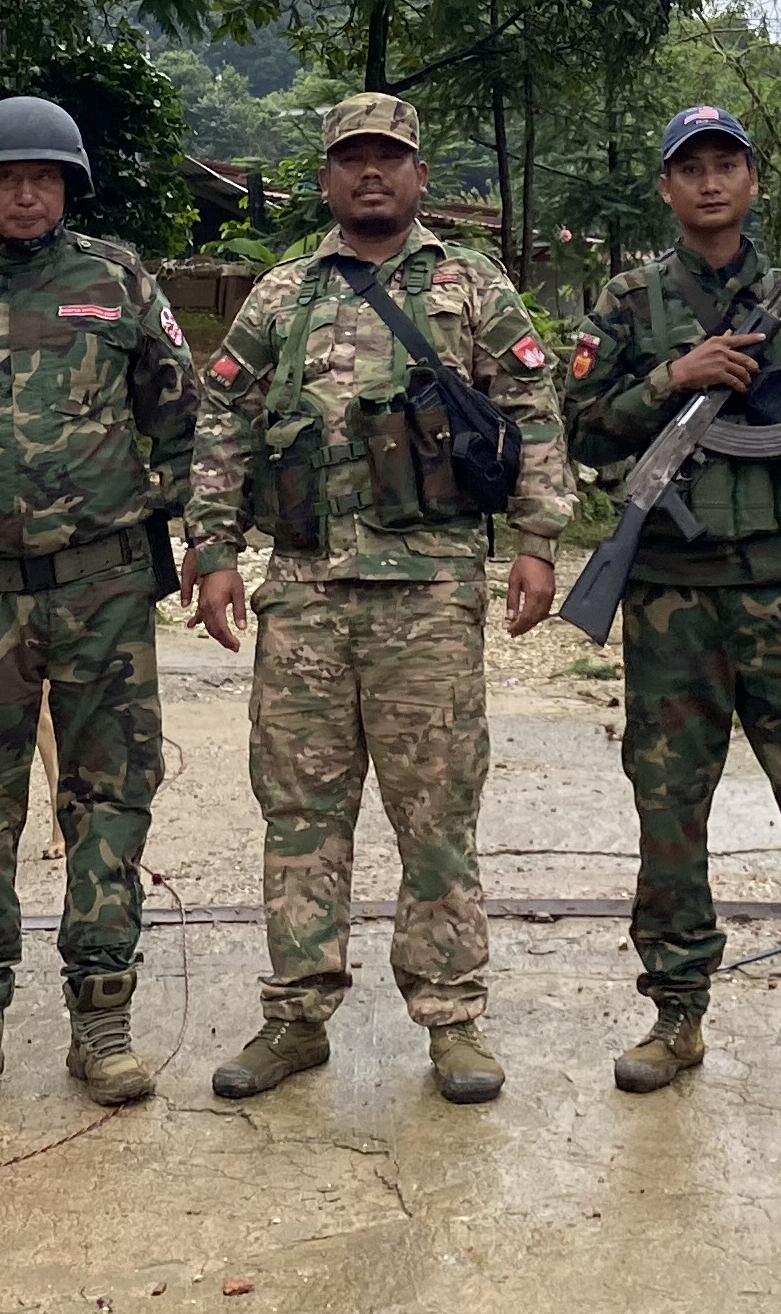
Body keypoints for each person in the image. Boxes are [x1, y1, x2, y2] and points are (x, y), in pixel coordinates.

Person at [186, 93, 571, 1106]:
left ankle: (452, 1020)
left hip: (430, 591)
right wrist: (214, 546)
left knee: (435, 810)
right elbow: (222, 413)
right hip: (306, 591)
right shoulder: (281, 295)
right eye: (352, 160)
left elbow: (531, 408)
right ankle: (295, 1015)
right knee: (301, 812)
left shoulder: (469, 286)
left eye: (389, 159)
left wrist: (535, 539)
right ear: (326, 179)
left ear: (417, 177)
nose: (371, 175)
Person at [561, 107, 781, 1099]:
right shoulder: (630, 301)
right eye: (693, 169)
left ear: (751, 183)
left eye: (728, 165)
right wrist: (673, 379)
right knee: (670, 814)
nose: (711, 183)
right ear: (668, 189)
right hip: (675, 599)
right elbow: (580, 426)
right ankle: (676, 1018)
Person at [0, 95, 198, 1117]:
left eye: (45, 177)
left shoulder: (119, 284)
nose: (26, 191)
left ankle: (101, 1018)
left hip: (104, 588)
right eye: (8, 177)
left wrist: (186, 533)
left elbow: (183, 415)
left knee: (107, 803)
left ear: (70, 187)